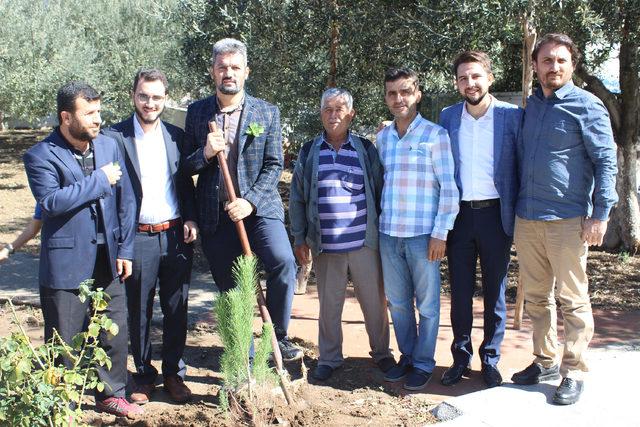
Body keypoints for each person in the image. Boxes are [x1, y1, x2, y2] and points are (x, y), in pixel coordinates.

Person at [23, 81, 142, 418]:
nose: (97, 119)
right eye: (89, 113)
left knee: (114, 333)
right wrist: (100, 180)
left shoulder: (109, 145)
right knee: (64, 340)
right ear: (66, 117)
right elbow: (51, 202)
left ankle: (111, 395)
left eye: (99, 111)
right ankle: (62, 404)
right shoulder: (40, 155)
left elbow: (127, 201)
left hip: (110, 257)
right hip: (66, 263)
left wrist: (126, 250)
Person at [511, 33, 618, 405]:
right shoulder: (531, 106)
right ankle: (545, 363)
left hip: (568, 220)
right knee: (537, 299)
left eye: (560, 60)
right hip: (528, 217)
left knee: (572, 299)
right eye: (546, 61)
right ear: (535, 65)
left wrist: (600, 214)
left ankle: (574, 370)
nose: (553, 67)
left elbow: (606, 160)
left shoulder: (587, 106)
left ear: (572, 65)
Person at [182, 38, 302, 361]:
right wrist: (206, 153)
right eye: (222, 67)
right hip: (216, 216)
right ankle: (244, 356)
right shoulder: (196, 114)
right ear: (213, 72)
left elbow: (275, 164)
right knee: (232, 288)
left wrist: (248, 201)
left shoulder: (267, 112)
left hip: (259, 210)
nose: (228, 73)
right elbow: (184, 165)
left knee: (283, 261)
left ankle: (276, 335)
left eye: (235, 67)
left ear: (246, 71)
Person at [102, 69, 198, 405]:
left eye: (157, 97)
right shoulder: (114, 137)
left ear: (165, 99)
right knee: (138, 310)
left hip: (174, 236)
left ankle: (173, 373)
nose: (150, 103)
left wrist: (190, 218)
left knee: (176, 307)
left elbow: (186, 183)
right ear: (133, 96)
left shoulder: (176, 136)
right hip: (137, 238)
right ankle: (143, 375)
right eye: (144, 96)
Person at [289, 88, 394, 381]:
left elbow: (379, 191)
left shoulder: (365, 149)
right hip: (325, 245)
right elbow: (297, 197)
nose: (333, 115)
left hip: (364, 242)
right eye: (328, 109)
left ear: (351, 114)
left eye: (340, 109)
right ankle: (330, 358)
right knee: (329, 305)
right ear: (321, 113)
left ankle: (383, 354)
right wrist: (299, 238)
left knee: (374, 303)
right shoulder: (310, 151)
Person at [438, 51, 522, 388]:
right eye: (462, 78)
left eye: (475, 76)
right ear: (456, 83)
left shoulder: (512, 116)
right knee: (459, 293)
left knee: (495, 292)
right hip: (458, 217)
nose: (469, 83)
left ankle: (490, 358)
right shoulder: (447, 117)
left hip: (495, 216)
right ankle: (461, 357)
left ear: (489, 77)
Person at [376, 68, 459, 391]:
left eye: (405, 92)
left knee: (427, 305)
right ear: (386, 98)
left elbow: (449, 187)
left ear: (418, 94)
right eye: (392, 93)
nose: (399, 99)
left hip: (425, 235)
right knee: (397, 303)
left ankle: (424, 363)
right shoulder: (383, 139)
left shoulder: (435, 135)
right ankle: (407, 357)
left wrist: (441, 232)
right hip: (389, 233)